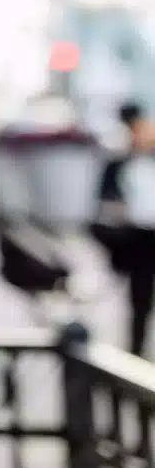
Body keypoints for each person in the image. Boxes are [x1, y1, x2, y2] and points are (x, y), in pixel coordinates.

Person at [95, 100, 155, 354]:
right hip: (138, 241)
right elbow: (105, 204)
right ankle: (136, 355)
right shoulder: (119, 165)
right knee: (139, 304)